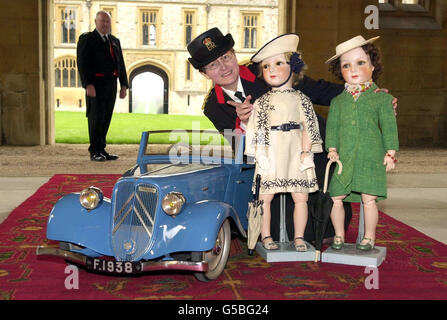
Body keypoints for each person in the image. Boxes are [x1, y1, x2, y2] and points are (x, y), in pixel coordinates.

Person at [187, 27, 353, 243]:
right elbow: (242, 150)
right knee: (275, 227)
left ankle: (326, 232)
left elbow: (316, 89)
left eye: (226, 57)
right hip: (274, 161)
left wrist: (360, 93)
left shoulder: (266, 65)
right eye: (213, 65)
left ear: (234, 55)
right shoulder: (212, 107)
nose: (223, 67)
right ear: (204, 73)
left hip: (309, 148)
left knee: (323, 212)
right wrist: (245, 123)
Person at [245, 34, 323, 251]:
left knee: (301, 197)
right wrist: (260, 152)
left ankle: (298, 237)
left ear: (294, 66)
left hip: (295, 150)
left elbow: (308, 125)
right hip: (271, 151)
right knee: (264, 197)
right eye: (267, 65)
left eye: (279, 63)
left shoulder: (302, 99)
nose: (272, 69)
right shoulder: (262, 102)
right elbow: (258, 127)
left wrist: (307, 152)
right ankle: (266, 236)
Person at [325, 35, 399, 251]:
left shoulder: (382, 99)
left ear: (373, 66)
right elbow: (333, 127)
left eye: (360, 62)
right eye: (346, 65)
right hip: (344, 160)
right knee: (336, 197)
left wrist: (391, 152)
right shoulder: (338, 102)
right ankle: (339, 235)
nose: (353, 69)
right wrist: (332, 149)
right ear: (340, 71)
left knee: (369, 199)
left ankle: (369, 237)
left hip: (370, 158)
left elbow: (389, 127)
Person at [77, 11, 128, 161]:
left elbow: (121, 64)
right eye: (102, 21)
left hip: (111, 85)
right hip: (96, 85)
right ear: (96, 22)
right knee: (95, 117)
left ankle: (102, 149)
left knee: (106, 117)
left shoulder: (114, 41)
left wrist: (124, 84)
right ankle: (94, 151)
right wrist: (88, 84)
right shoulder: (87, 39)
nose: (105, 24)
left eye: (107, 22)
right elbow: (82, 63)